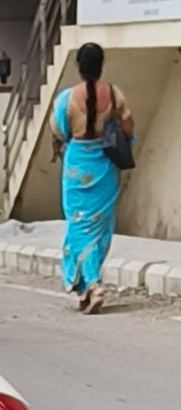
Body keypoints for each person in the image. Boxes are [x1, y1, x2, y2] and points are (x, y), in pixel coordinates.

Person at [50, 42, 135, 315]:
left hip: (77, 168)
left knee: (78, 227)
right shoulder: (113, 93)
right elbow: (129, 127)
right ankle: (90, 283)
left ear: (79, 66)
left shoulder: (65, 99)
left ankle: (93, 284)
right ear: (101, 66)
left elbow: (60, 131)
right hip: (105, 169)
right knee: (99, 228)